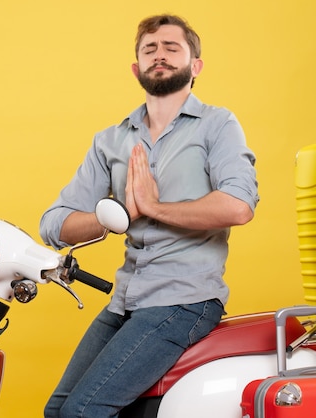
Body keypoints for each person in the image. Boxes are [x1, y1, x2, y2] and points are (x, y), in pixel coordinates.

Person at [40, 14, 259, 418]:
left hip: (185, 299)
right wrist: (115, 216)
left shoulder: (217, 125)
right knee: (56, 412)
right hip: (126, 300)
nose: (159, 55)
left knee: (83, 413)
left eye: (172, 47)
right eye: (149, 49)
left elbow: (238, 205)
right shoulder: (110, 140)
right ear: (136, 67)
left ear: (195, 66)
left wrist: (153, 208)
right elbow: (55, 224)